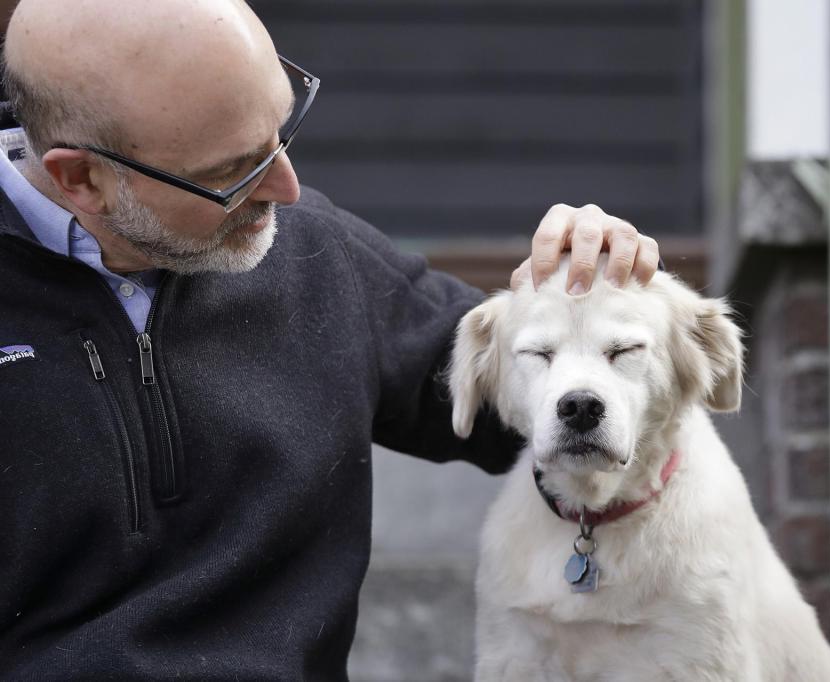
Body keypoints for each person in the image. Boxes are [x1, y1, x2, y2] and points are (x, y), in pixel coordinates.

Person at [0, 0, 660, 677]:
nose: (287, 190)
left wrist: (585, 305)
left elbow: (518, 407)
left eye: (282, 132)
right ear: (81, 179)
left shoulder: (319, 251)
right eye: (231, 171)